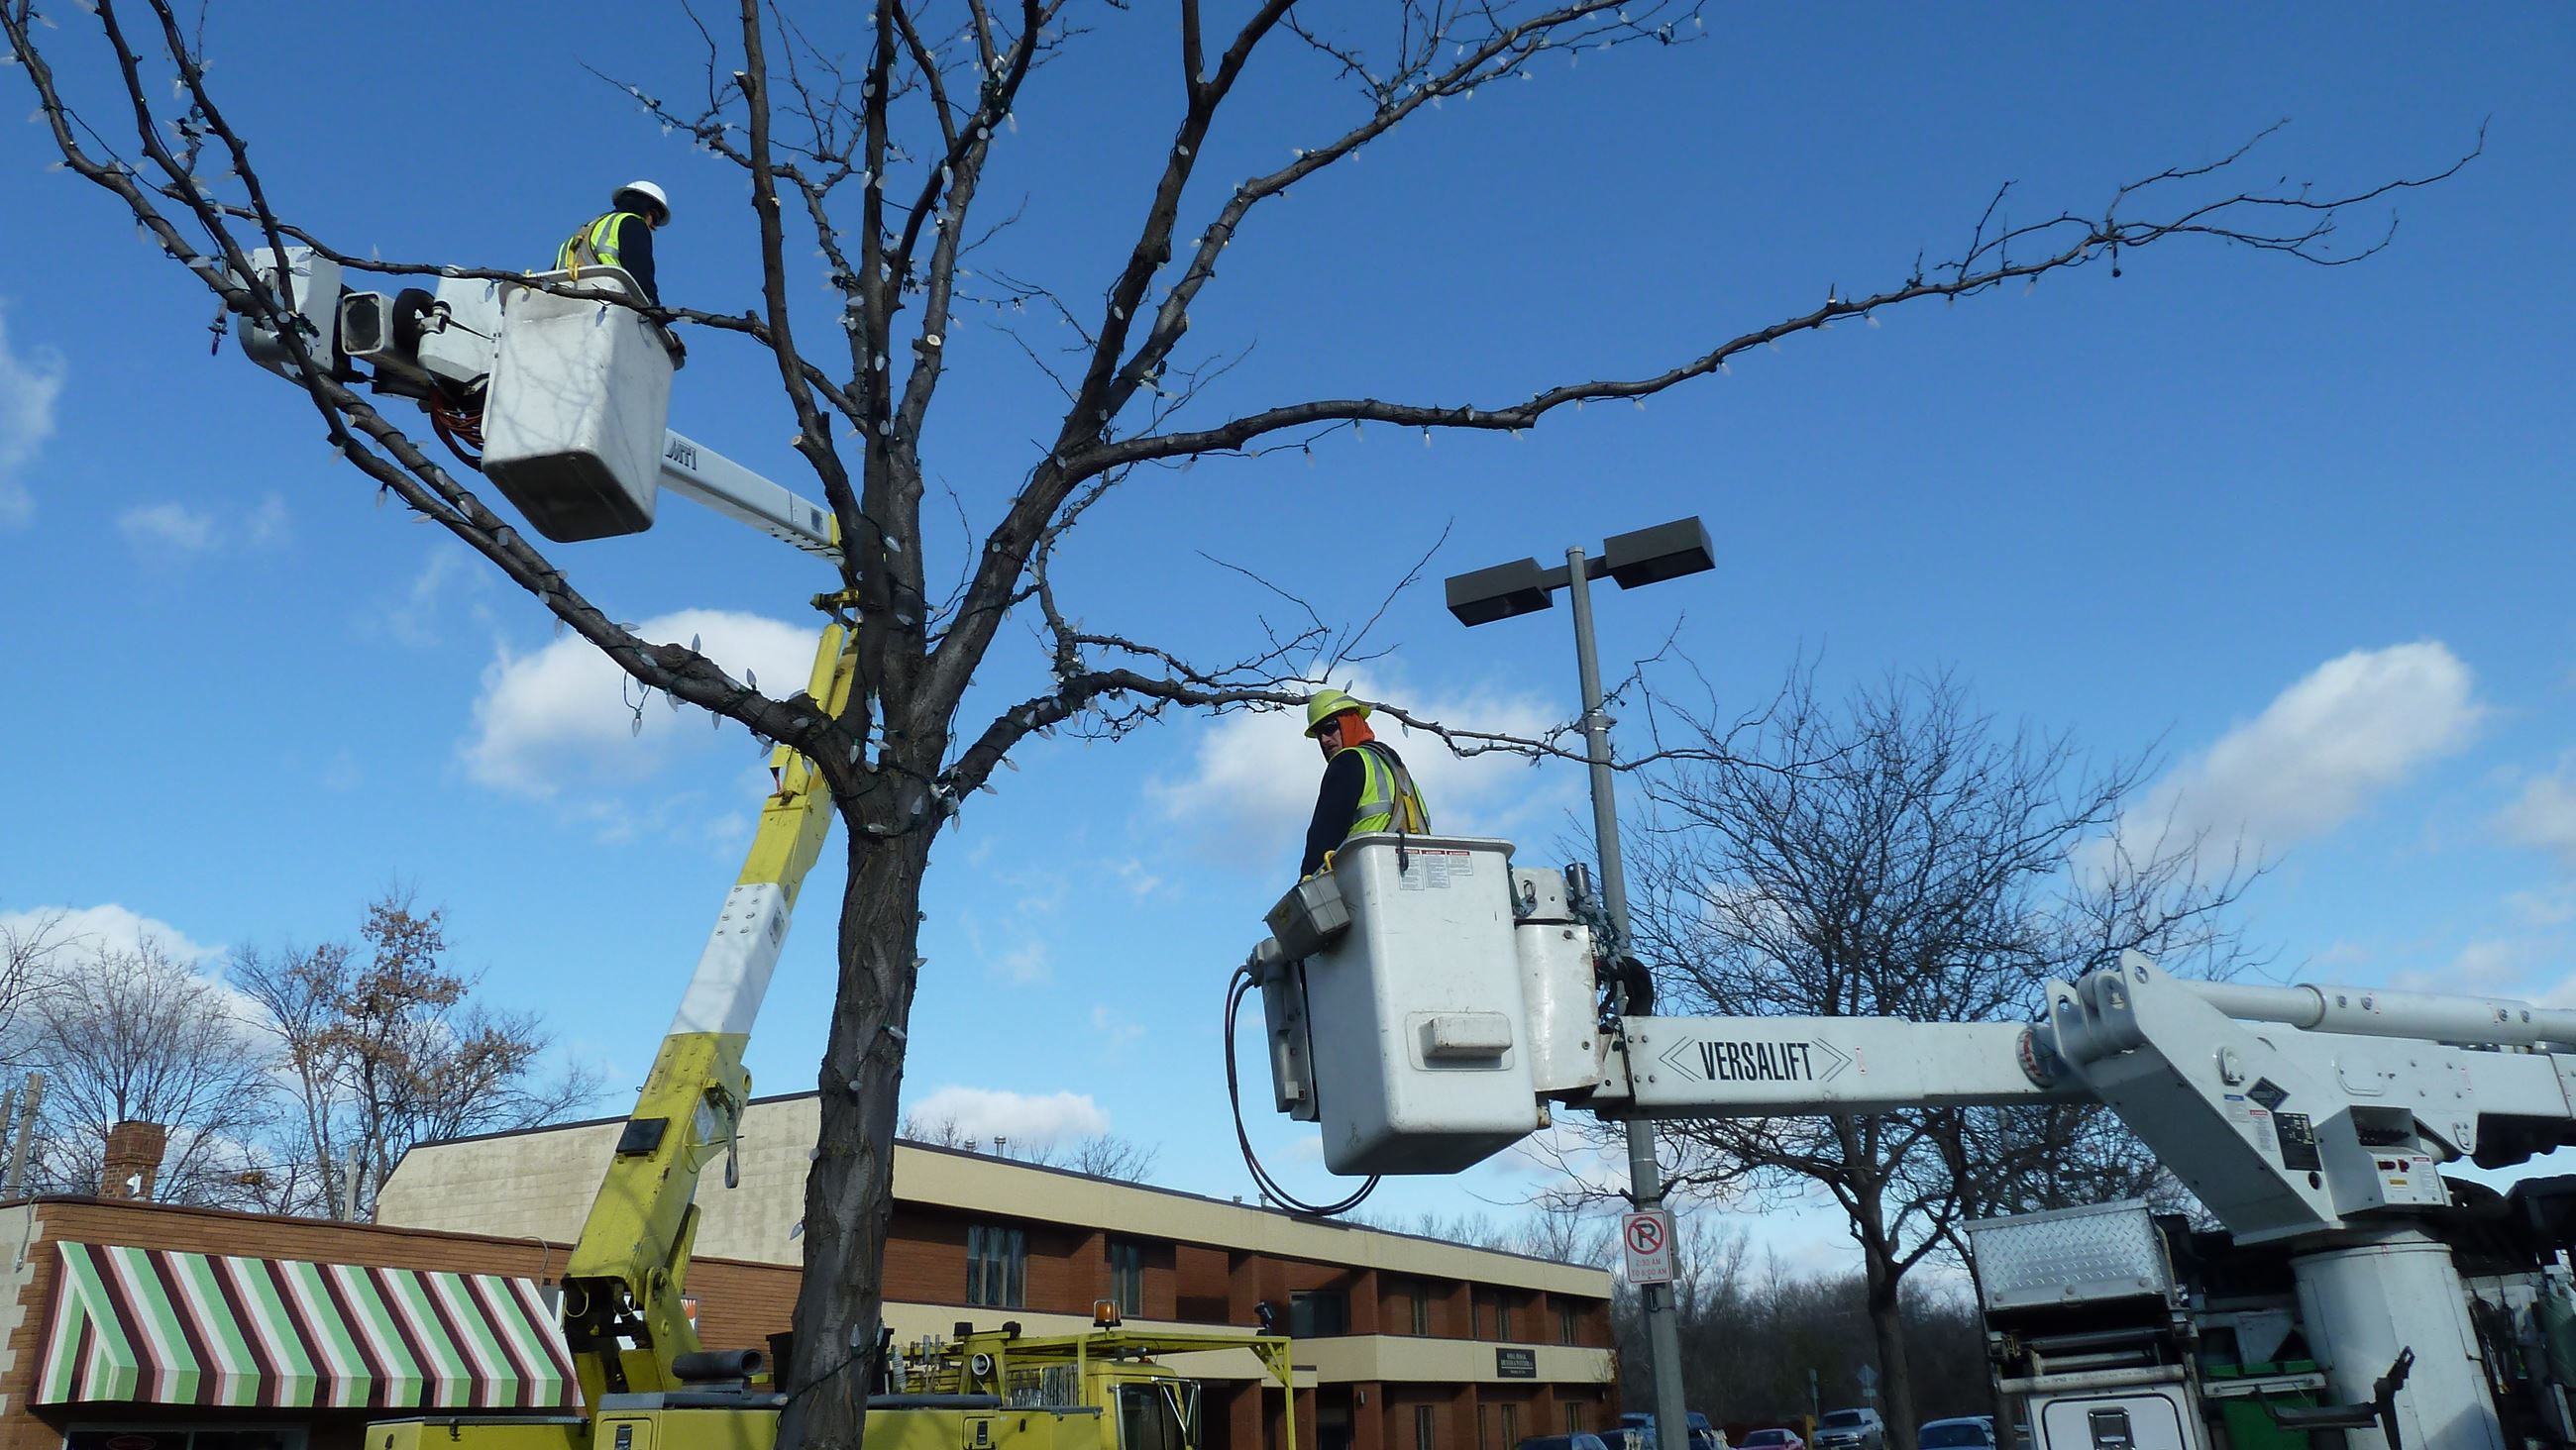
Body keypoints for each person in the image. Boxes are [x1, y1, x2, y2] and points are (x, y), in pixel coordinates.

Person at [1299, 688, 1430, 879]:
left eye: (1329, 728)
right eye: (1319, 735)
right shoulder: (1399, 770)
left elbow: (1323, 837)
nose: (1324, 740)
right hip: (1414, 878)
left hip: (1366, 879)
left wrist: (1306, 884)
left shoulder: (1348, 762)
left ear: (1349, 722)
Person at [557, 180, 670, 306]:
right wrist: (654, 309)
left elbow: (554, 275)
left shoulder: (583, 232)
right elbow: (641, 275)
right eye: (655, 218)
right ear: (644, 206)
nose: (655, 226)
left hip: (564, 305)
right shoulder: (633, 223)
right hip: (607, 303)